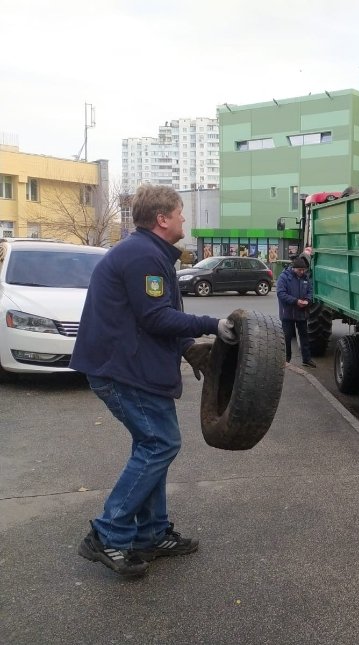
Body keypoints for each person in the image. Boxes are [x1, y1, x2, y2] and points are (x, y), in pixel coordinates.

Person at [71, 184, 239, 577]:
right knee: (160, 444)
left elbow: (153, 314)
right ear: (162, 219)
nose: (184, 219)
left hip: (133, 368)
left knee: (153, 445)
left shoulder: (149, 253)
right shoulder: (144, 255)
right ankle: (107, 534)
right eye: (180, 212)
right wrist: (211, 325)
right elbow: (154, 317)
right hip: (123, 371)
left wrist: (186, 346)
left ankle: (151, 532)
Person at [276, 254, 315, 368]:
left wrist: (307, 300)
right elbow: (281, 294)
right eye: (300, 270)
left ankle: (306, 359)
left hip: (301, 313)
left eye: (304, 270)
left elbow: (310, 291)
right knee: (287, 337)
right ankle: (286, 359)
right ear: (294, 268)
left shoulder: (305, 278)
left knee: (304, 336)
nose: (302, 272)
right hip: (287, 313)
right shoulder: (284, 277)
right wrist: (295, 301)